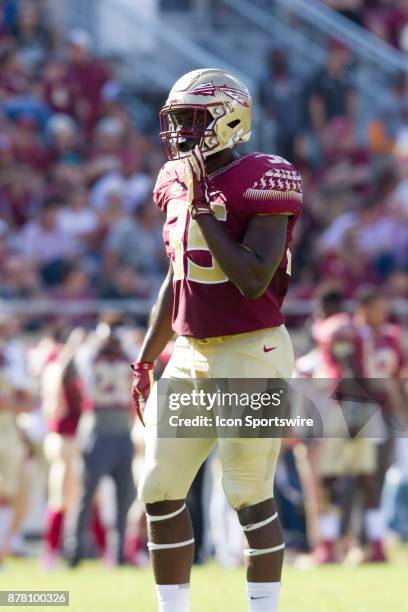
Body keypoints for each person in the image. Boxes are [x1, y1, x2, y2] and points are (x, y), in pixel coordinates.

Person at [131, 69, 302, 612]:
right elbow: (178, 277)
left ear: (228, 119)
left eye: (191, 118)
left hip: (251, 349)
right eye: (176, 118)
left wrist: (205, 212)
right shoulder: (175, 179)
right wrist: (146, 355)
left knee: (248, 495)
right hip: (189, 353)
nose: (179, 131)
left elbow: (253, 278)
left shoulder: (265, 176)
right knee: (158, 488)